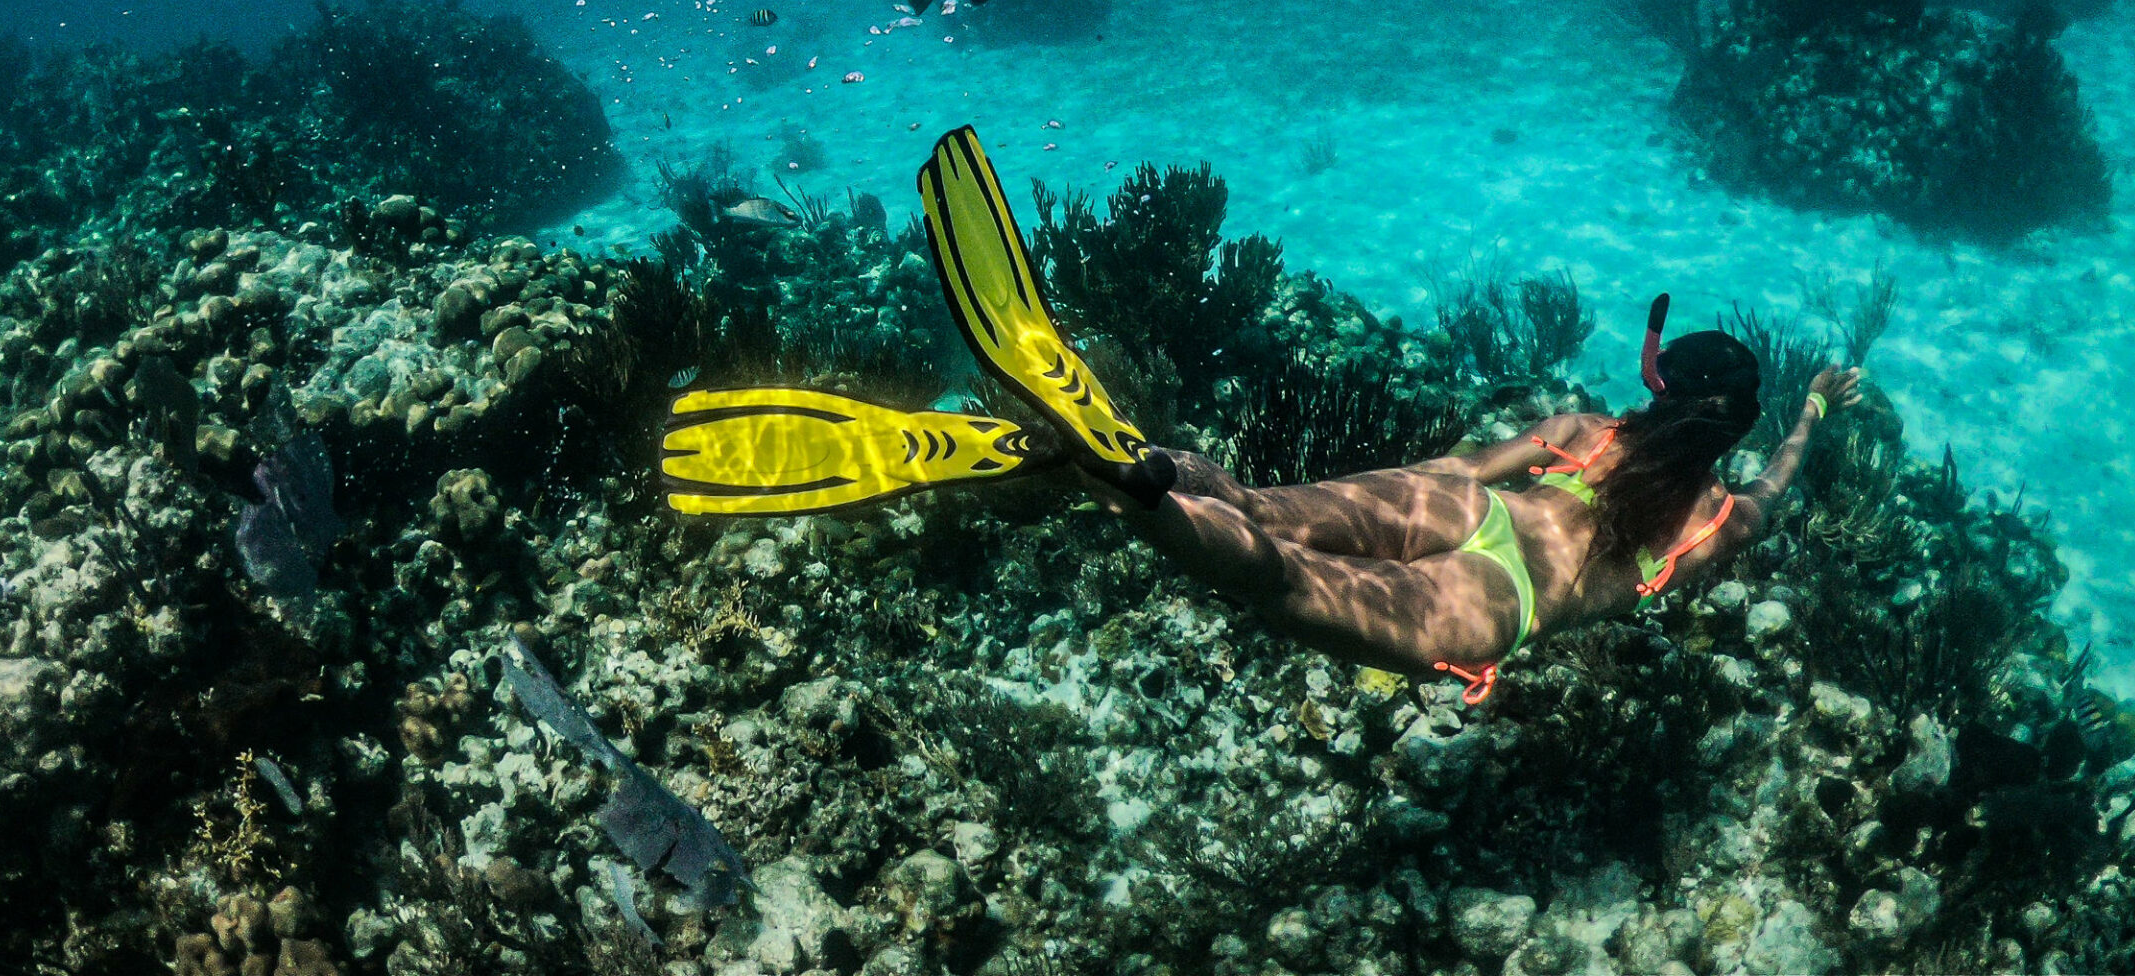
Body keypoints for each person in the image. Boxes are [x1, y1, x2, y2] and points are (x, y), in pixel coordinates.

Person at [659, 127, 1861, 702]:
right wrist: (1812, 407)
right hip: (1501, 600)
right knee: (1274, 580)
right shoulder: (1714, 523)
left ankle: (1138, 459)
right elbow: (1779, 480)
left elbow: (1464, 453)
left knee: (1253, 504)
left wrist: (1426, 489)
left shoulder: (1585, 423)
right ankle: (1108, 479)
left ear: (1657, 383)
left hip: (1457, 499)